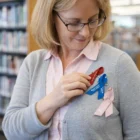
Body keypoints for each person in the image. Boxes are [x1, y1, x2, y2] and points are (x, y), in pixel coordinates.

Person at [2, 0, 140, 139]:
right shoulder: (33, 63)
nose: (85, 33)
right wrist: (51, 101)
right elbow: (11, 131)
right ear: (51, 18)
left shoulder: (119, 64)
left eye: (93, 20)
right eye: (74, 23)